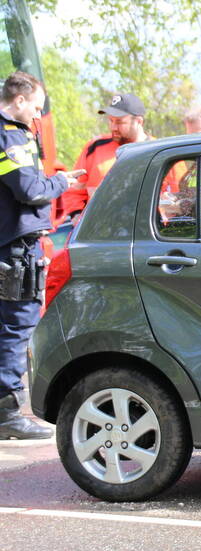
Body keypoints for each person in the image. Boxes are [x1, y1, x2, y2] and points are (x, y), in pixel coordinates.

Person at [0, 72, 78, 438]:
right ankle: (8, 417)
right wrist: (63, 182)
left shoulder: (17, 134)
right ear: (18, 101)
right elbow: (29, 189)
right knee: (16, 327)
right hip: (15, 248)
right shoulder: (9, 136)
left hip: (14, 245)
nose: (37, 114)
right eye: (35, 106)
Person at [61, 93, 150, 218]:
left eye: (119, 122)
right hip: (99, 232)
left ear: (139, 121)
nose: (113, 127)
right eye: (110, 120)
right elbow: (74, 189)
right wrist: (76, 215)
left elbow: (176, 197)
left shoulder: (160, 151)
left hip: (143, 231)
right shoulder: (95, 147)